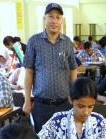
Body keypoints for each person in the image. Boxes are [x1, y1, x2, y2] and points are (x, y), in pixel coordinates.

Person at [23, 3, 77, 132]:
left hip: (64, 103)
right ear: (44, 19)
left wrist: (74, 94)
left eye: (58, 17)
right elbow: (29, 71)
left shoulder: (67, 42)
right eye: (51, 17)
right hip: (41, 105)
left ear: (62, 21)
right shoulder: (34, 41)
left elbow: (73, 68)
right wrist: (27, 100)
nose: (54, 21)